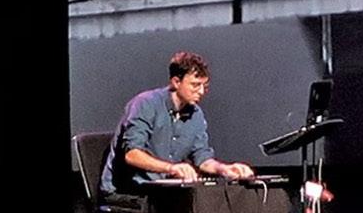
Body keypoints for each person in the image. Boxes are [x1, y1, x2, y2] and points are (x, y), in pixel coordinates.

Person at [100, 51, 256, 201]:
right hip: (127, 192)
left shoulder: (195, 114)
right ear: (176, 82)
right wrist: (172, 168)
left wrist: (224, 169)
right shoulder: (145, 104)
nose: (201, 91)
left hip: (163, 192)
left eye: (204, 86)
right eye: (195, 85)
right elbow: (132, 155)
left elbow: (202, 158)